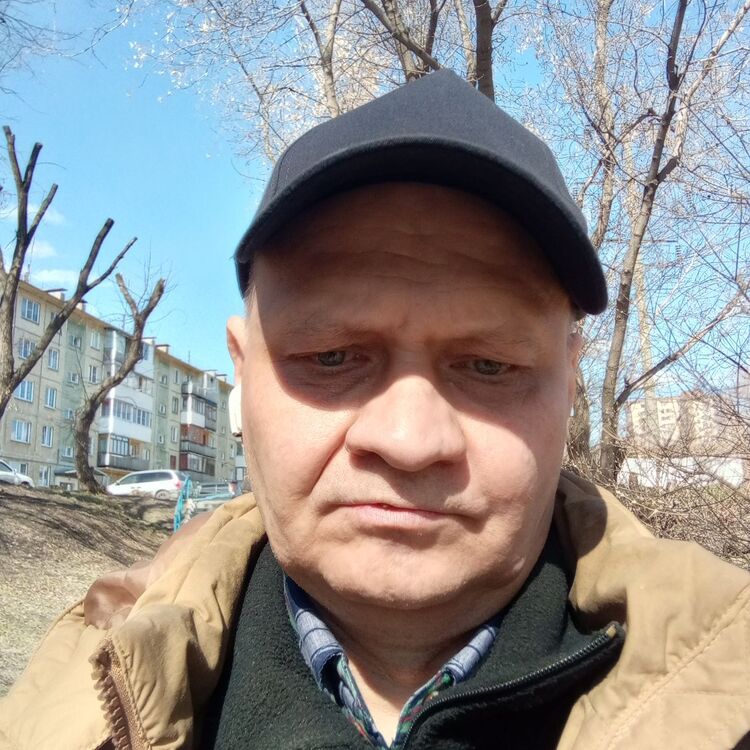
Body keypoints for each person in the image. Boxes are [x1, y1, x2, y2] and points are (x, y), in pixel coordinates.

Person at [1, 70, 749, 750]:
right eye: (332, 357)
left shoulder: (728, 692)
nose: (408, 439)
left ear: (570, 385)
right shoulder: (65, 709)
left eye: (489, 365)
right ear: (241, 378)